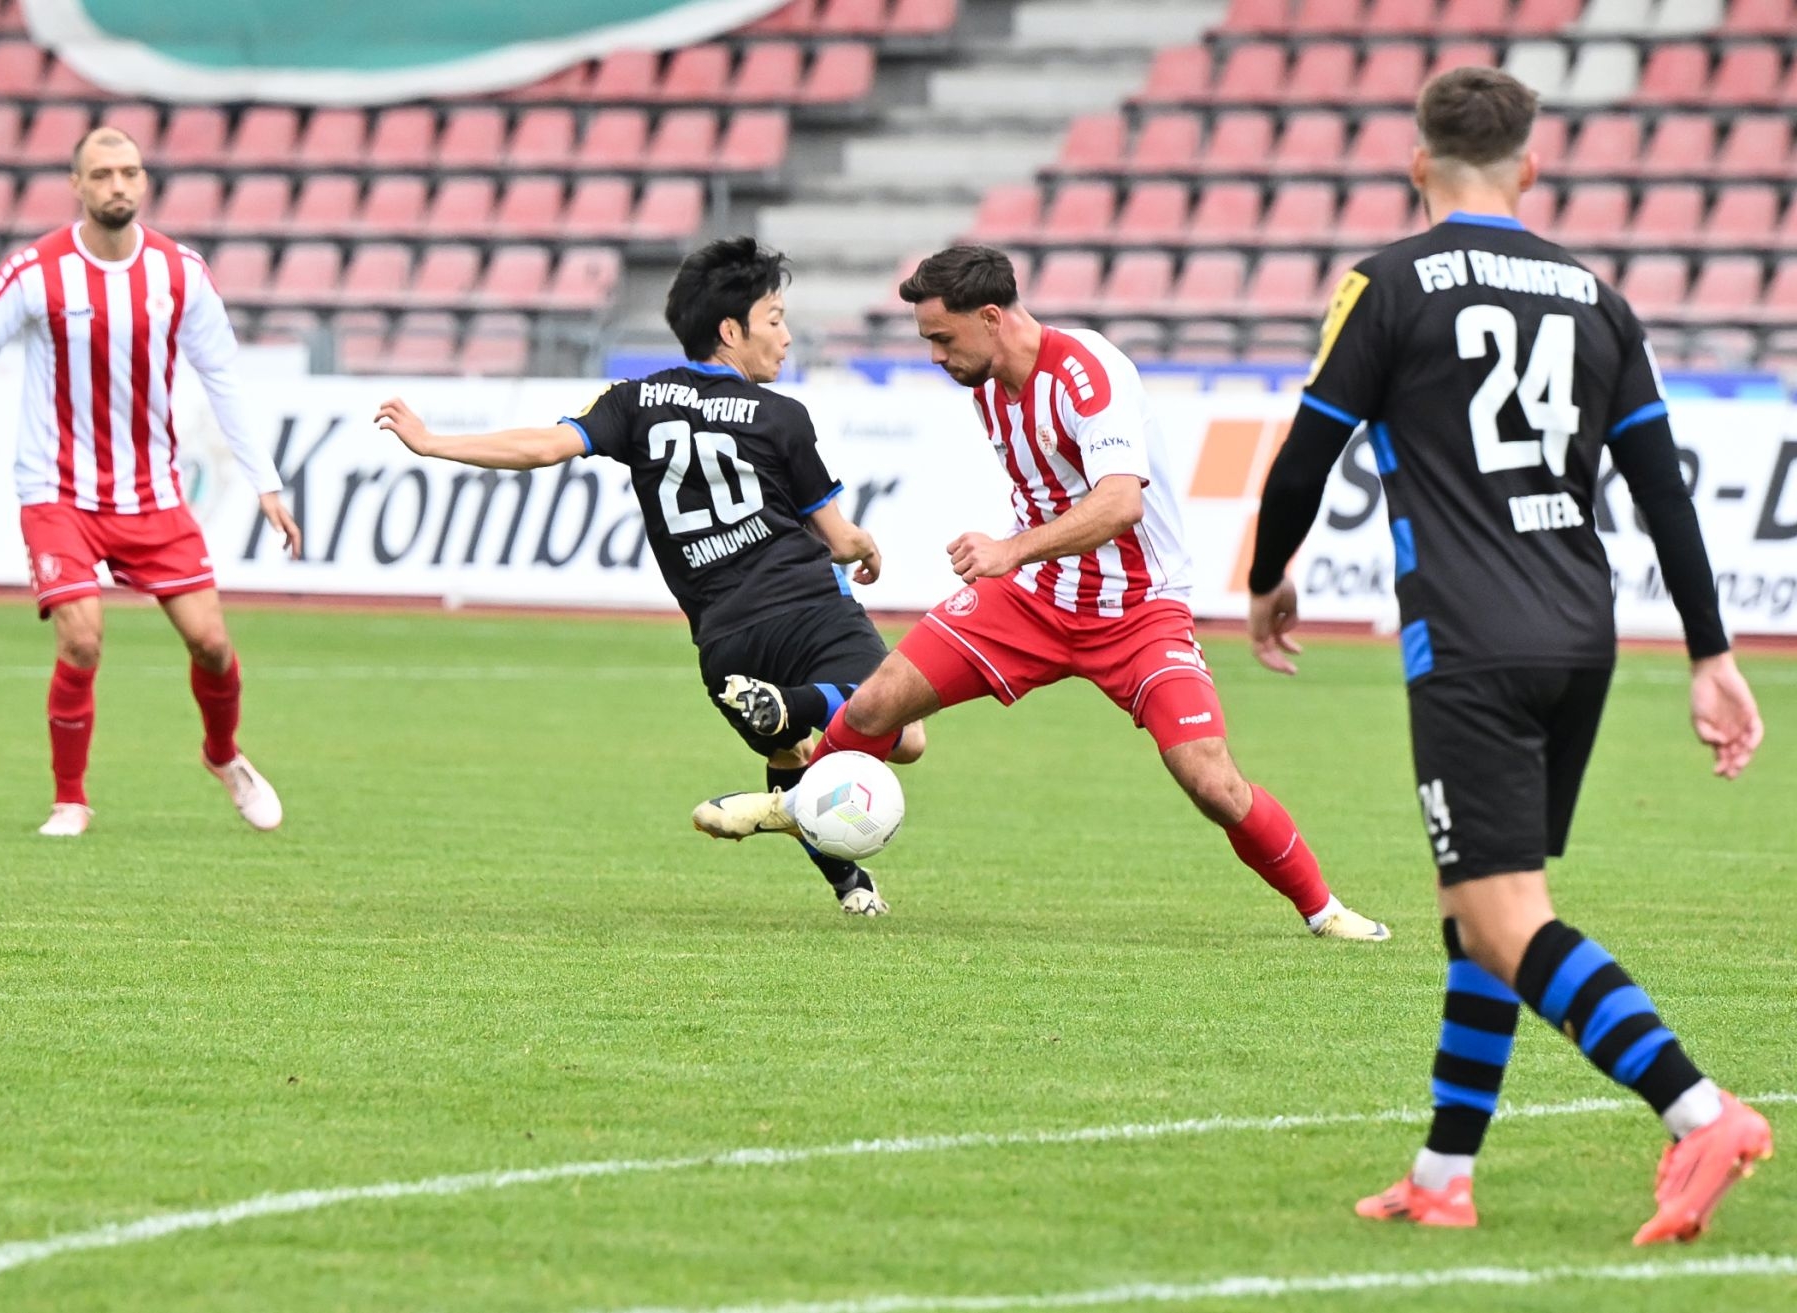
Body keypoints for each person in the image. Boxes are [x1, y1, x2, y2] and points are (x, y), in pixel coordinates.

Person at [1244, 67, 1771, 1242]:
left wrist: (1268, 576)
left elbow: (1306, 454)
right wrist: (1710, 652)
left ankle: (1700, 1111)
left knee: (1505, 914)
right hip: (1580, 633)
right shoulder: (1598, 298)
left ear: (1416, 165)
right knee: (1477, 907)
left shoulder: (1386, 283)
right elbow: (1663, 490)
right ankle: (1443, 1172)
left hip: (1470, 638)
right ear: (1531, 168)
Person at [695, 245, 1390, 942]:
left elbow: (1121, 503)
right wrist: (1017, 557)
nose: (935, 357)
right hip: (1031, 598)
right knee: (877, 702)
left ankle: (1324, 910)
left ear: (991, 317)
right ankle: (795, 806)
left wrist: (1010, 549)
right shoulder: (986, 385)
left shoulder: (1088, 372)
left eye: (943, 338)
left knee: (1211, 781)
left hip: (1137, 610)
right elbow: (1046, 493)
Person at [375, 237, 923, 915]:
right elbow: (838, 540)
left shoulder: (634, 402)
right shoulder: (783, 416)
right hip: (808, 607)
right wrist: (866, 546)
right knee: (906, 734)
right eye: (775, 319)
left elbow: (542, 448)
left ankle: (849, 884)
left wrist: (433, 442)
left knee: (789, 757)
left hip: (726, 641)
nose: (785, 337)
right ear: (731, 331)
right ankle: (798, 704)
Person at [0, 127, 302, 837]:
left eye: (129, 172)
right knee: (82, 640)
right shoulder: (34, 272)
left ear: (144, 182)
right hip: (57, 491)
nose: (117, 185)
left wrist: (265, 480)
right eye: (102, 173)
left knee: (212, 643)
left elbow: (223, 376)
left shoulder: (179, 272)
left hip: (152, 493)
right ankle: (70, 799)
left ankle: (223, 754)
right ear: (76, 185)